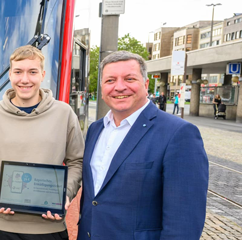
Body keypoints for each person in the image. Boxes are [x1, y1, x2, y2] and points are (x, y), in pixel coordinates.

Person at [77, 51, 208, 240]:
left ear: (146, 85)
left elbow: (184, 221)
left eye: (129, 79)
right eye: (110, 80)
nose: (119, 87)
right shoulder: (95, 129)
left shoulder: (179, 134)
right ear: (102, 87)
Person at [0, 45, 83, 239]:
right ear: (10, 75)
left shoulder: (64, 113)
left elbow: (77, 162)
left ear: (42, 74)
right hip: (2, 225)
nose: (25, 79)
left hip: (50, 226)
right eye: (18, 72)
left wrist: (66, 193)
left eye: (32, 72)